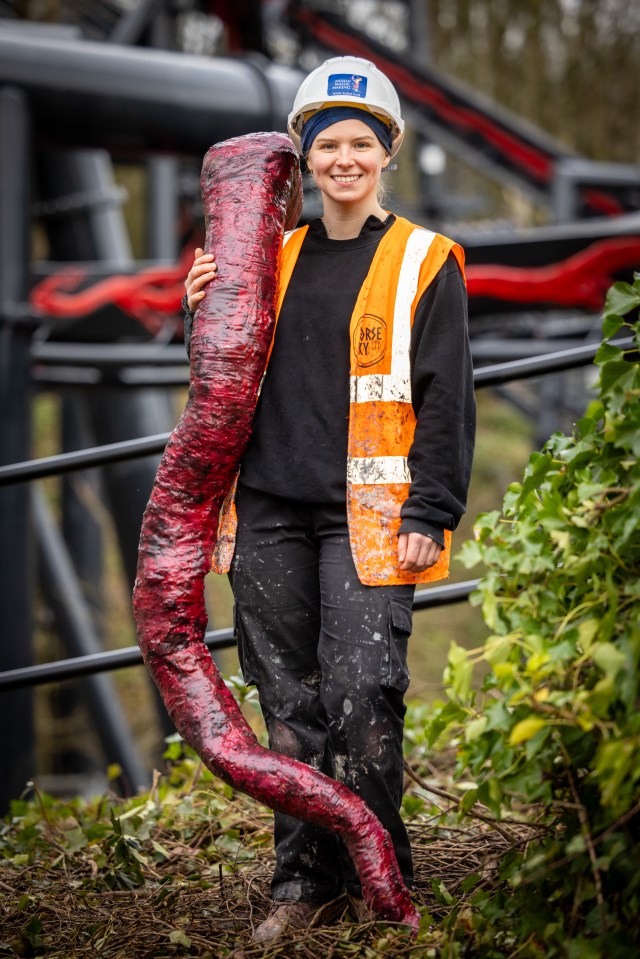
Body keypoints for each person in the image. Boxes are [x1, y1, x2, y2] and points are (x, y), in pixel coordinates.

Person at [183, 55, 476, 945]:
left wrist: (433, 511)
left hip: (371, 519)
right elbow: (217, 375)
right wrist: (198, 311)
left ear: (385, 152)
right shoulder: (265, 257)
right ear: (303, 159)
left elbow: (447, 397)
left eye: (360, 143)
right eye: (325, 145)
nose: (342, 159)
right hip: (268, 511)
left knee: (362, 693)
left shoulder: (428, 261)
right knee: (289, 706)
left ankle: (383, 885)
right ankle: (302, 886)